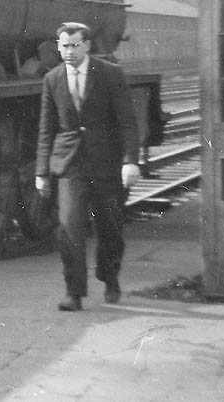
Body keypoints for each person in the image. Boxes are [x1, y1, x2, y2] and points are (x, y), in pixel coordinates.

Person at [34, 22, 141, 311]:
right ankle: (74, 292)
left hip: (106, 164)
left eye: (75, 45)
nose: (69, 51)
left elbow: (127, 122)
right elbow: (46, 129)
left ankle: (110, 279)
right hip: (70, 165)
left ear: (87, 45)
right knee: (69, 227)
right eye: (64, 46)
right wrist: (42, 172)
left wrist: (131, 160)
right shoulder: (53, 79)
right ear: (58, 47)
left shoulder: (110, 75)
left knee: (111, 228)